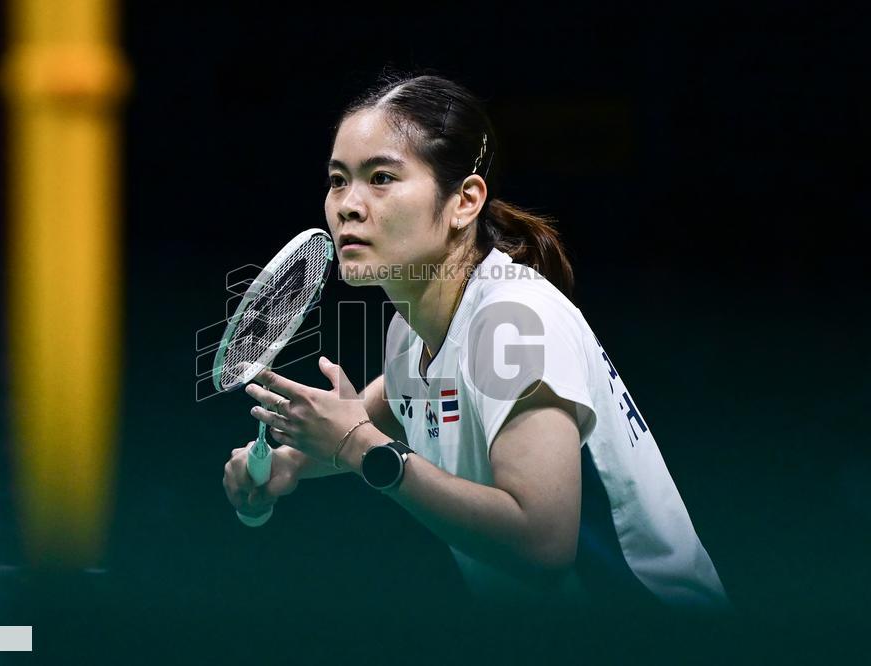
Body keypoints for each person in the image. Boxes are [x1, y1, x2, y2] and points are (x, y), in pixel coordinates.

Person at [222, 72, 728, 610]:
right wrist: (294, 460)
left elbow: (544, 542)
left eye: (382, 177)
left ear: (464, 201)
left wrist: (360, 447)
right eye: (338, 179)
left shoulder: (513, 321)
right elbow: (395, 402)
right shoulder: (414, 330)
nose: (348, 204)